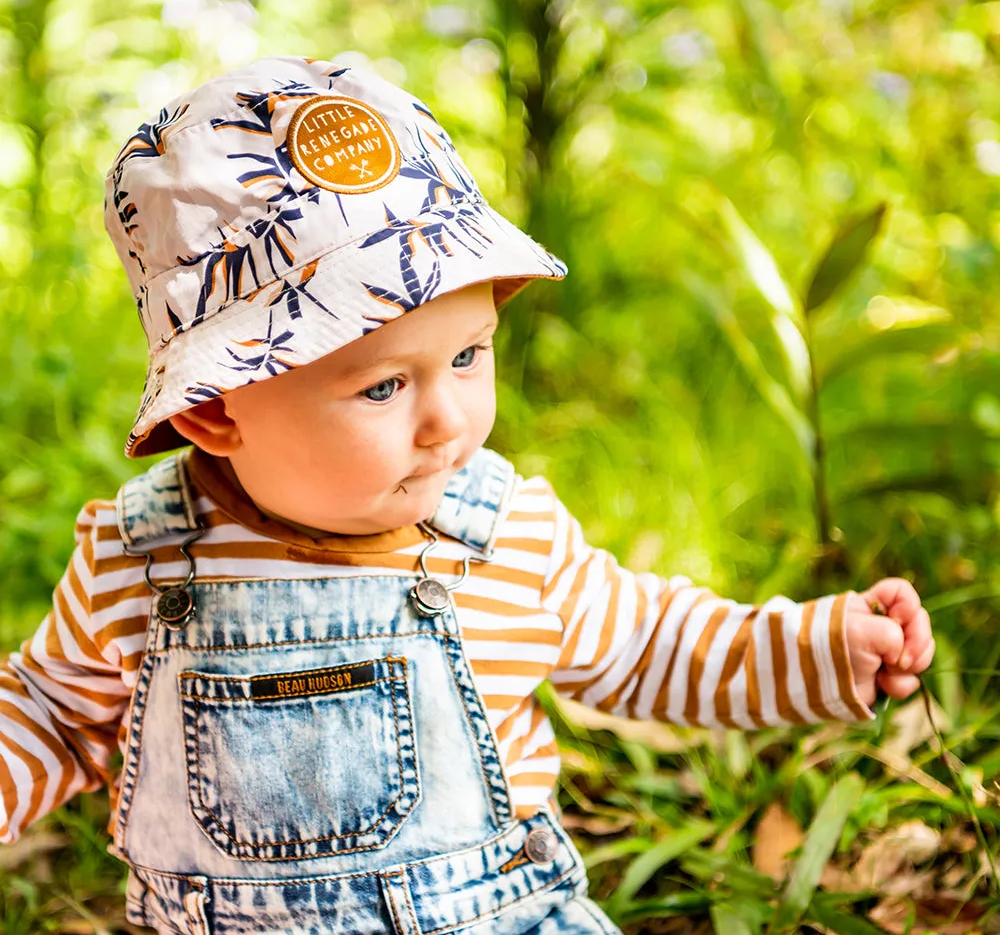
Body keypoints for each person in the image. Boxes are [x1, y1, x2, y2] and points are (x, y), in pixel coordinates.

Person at [0, 56, 934, 935]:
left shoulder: (502, 533)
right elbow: (50, 710)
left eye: (467, 355)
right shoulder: (145, 558)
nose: (448, 419)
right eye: (382, 387)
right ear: (214, 414)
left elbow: (649, 644)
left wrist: (818, 650)